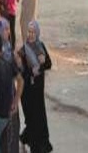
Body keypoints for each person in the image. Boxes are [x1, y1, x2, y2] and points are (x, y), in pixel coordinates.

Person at [17, 20, 53, 153]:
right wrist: (31, 72)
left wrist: (41, 65)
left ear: (37, 33)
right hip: (27, 93)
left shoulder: (40, 46)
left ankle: (34, 144)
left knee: (40, 120)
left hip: (38, 91)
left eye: (33, 32)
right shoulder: (23, 51)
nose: (31, 35)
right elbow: (21, 73)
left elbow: (49, 64)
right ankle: (33, 147)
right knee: (32, 120)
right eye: (29, 32)